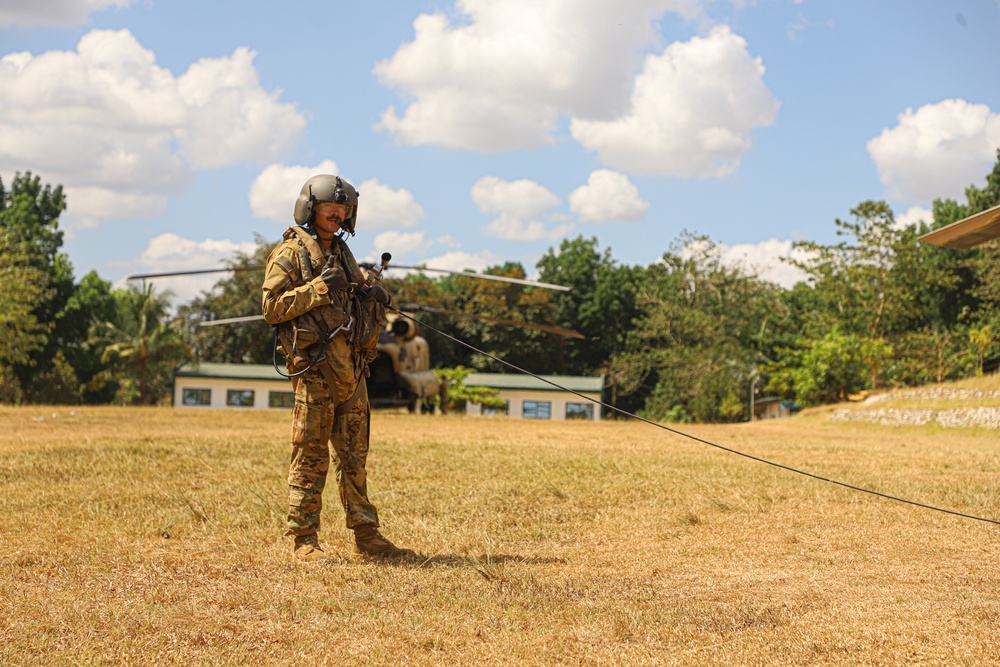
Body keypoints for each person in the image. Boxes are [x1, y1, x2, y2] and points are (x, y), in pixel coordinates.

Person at [261, 174, 414, 561]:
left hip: (352, 373)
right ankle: (303, 540)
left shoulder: (344, 255)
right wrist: (318, 288)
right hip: (315, 373)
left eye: (343, 207)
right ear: (311, 209)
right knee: (310, 458)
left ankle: (367, 535)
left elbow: (353, 306)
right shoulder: (289, 255)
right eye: (329, 206)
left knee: (354, 460)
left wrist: (372, 297)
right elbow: (271, 308)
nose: (337, 212)